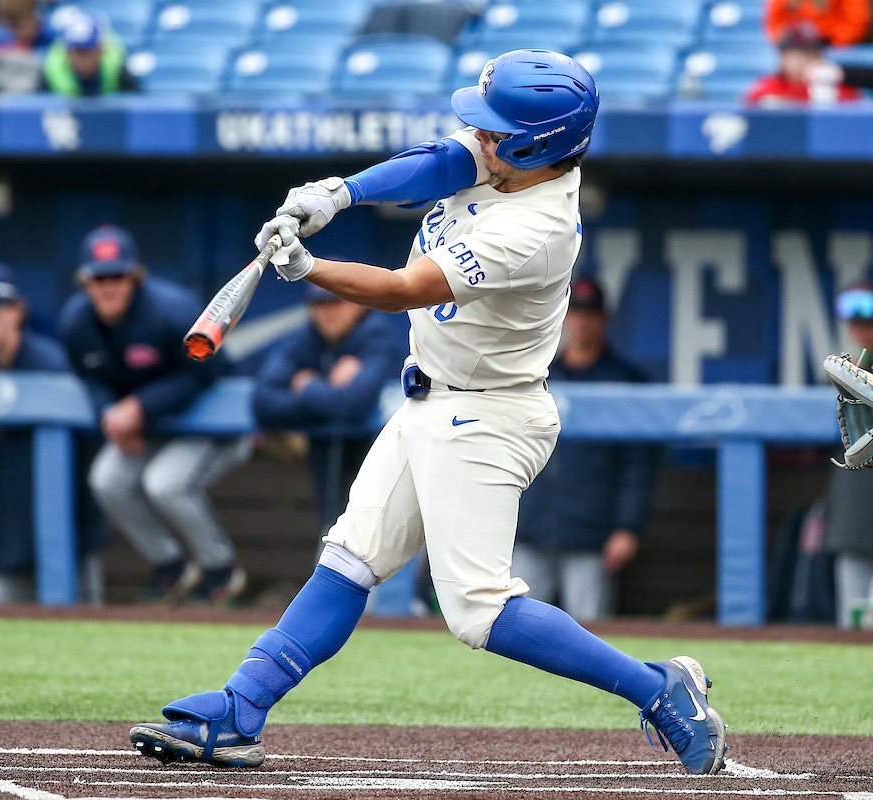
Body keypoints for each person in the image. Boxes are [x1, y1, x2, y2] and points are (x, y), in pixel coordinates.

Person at [128, 50, 727, 776]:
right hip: (431, 401)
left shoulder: (535, 228)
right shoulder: (515, 158)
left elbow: (404, 287)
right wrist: (338, 193)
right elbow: (442, 161)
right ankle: (240, 708)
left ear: (538, 144)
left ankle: (660, 688)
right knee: (351, 557)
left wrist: (305, 270)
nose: (481, 137)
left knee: (477, 611)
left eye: (496, 131)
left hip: (487, 419)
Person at [59, 225, 249, 603]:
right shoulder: (76, 322)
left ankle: (220, 570)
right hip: (153, 426)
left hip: (210, 420)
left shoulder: (171, 311)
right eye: (98, 278)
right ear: (85, 282)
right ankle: (171, 565)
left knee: (165, 483)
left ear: (134, 277)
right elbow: (89, 379)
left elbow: (206, 370)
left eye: (117, 276)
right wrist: (109, 413)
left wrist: (140, 407)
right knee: (106, 479)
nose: (107, 286)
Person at [0, 262, 103, 604]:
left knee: (83, 637)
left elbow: (88, 456)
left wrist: (85, 531)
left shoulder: (54, 367)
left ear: (16, 311)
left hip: (68, 542)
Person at [514, 277, 657, 622]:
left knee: (590, 633)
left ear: (604, 319)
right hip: (531, 526)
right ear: (562, 316)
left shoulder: (625, 379)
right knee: (515, 626)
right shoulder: (539, 373)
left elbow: (639, 464)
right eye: (575, 312)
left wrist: (628, 527)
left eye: (590, 314)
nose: (581, 322)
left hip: (591, 534)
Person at [253, 284, 403, 527]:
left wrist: (308, 386)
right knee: (334, 527)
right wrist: (328, 391)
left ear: (358, 304)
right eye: (320, 305)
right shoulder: (305, 337)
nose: (328, 312)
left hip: (381, 455)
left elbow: (354, 406)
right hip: (328, 457)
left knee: (374, 528)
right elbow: (264, 403)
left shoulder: (377, 334)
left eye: (337, 303)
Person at [826, 285, 873, 629]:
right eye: (855, 323)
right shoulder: (847, 371)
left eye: (868, 322)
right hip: (857, 514)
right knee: (855, 626)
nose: (861, 330)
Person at [747, 21, 863, 104]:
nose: (809, 59)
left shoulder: (841, 89)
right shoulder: (767, 88)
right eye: (801, 53)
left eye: (814, 53)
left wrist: (828, 100)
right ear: (783, 57)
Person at [42, 10, 139, 98]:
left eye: (87, 51)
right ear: (67, 53)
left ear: (99, 51)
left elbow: (137, 104)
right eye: (76, 51)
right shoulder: (49, 74)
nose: (81, 58)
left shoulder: (118, 71)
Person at [766, 0, 870, 48]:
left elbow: (855, 24)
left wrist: (825, 40)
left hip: (836, 47)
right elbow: (774, 26)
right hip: (799, 48)